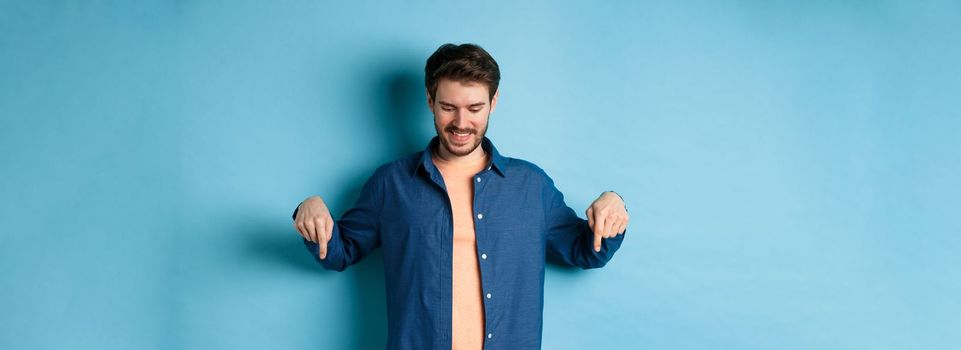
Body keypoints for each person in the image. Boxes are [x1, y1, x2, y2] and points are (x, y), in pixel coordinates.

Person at [292, 43, 629, 350]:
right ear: (429, 101)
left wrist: (613, 204)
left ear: (493, 103)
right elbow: (338, 253)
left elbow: (587, 252)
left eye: (475, 108)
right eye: (448, 107)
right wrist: (311, 211)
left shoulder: (531, 186)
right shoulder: (391, 184)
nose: (461, 122)